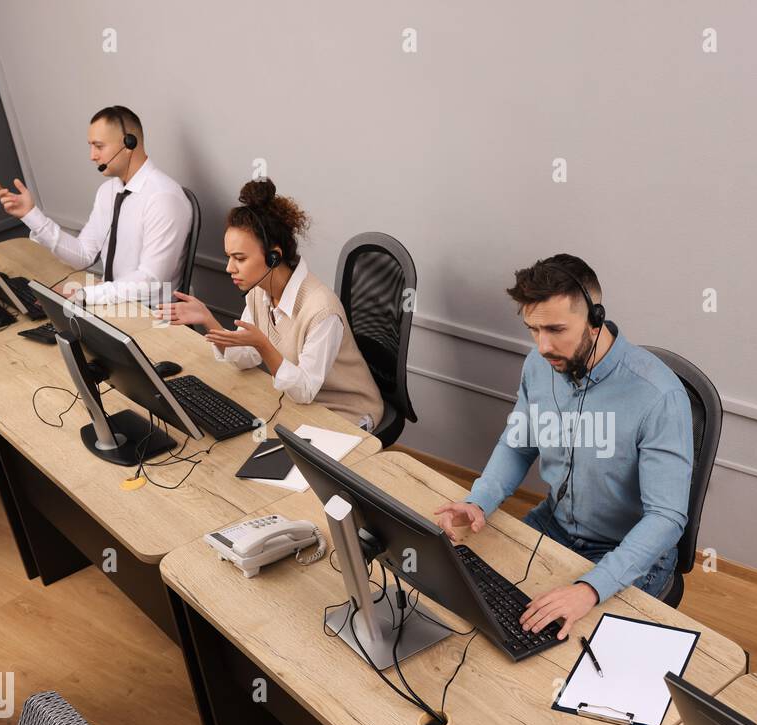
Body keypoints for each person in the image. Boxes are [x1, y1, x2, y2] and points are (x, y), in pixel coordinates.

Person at [433, 254, 693, 639]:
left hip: (625, 549)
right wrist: (479, 500)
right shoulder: (539, 366)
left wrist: (590, 588)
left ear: (595, 317)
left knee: (559, 643)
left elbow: (665, 518)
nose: (542, 346)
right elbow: (518, 443)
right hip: (554, 523)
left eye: (555, 329)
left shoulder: (659, 395)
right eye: (533, 330)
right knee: (472, 596)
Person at [159, 179, 382, 429]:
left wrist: (263, 345)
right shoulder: (259, 292)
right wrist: (209, 321)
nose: (229, 268)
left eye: (239, 258)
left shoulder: (321, 310)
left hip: (347, 412)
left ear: (273, 257)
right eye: (229, 257)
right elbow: (245, 358)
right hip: (302, 407)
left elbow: (305, 390)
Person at [0, 105, 191, 306]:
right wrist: (30, 214)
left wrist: (85, 295)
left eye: (99, 146)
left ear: (129, 143)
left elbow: (151, 281)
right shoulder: (108, 191)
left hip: (150, 316)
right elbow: (84, 255)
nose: (92, 156)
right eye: (91, 146)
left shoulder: (164, 198)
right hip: (113, 306)